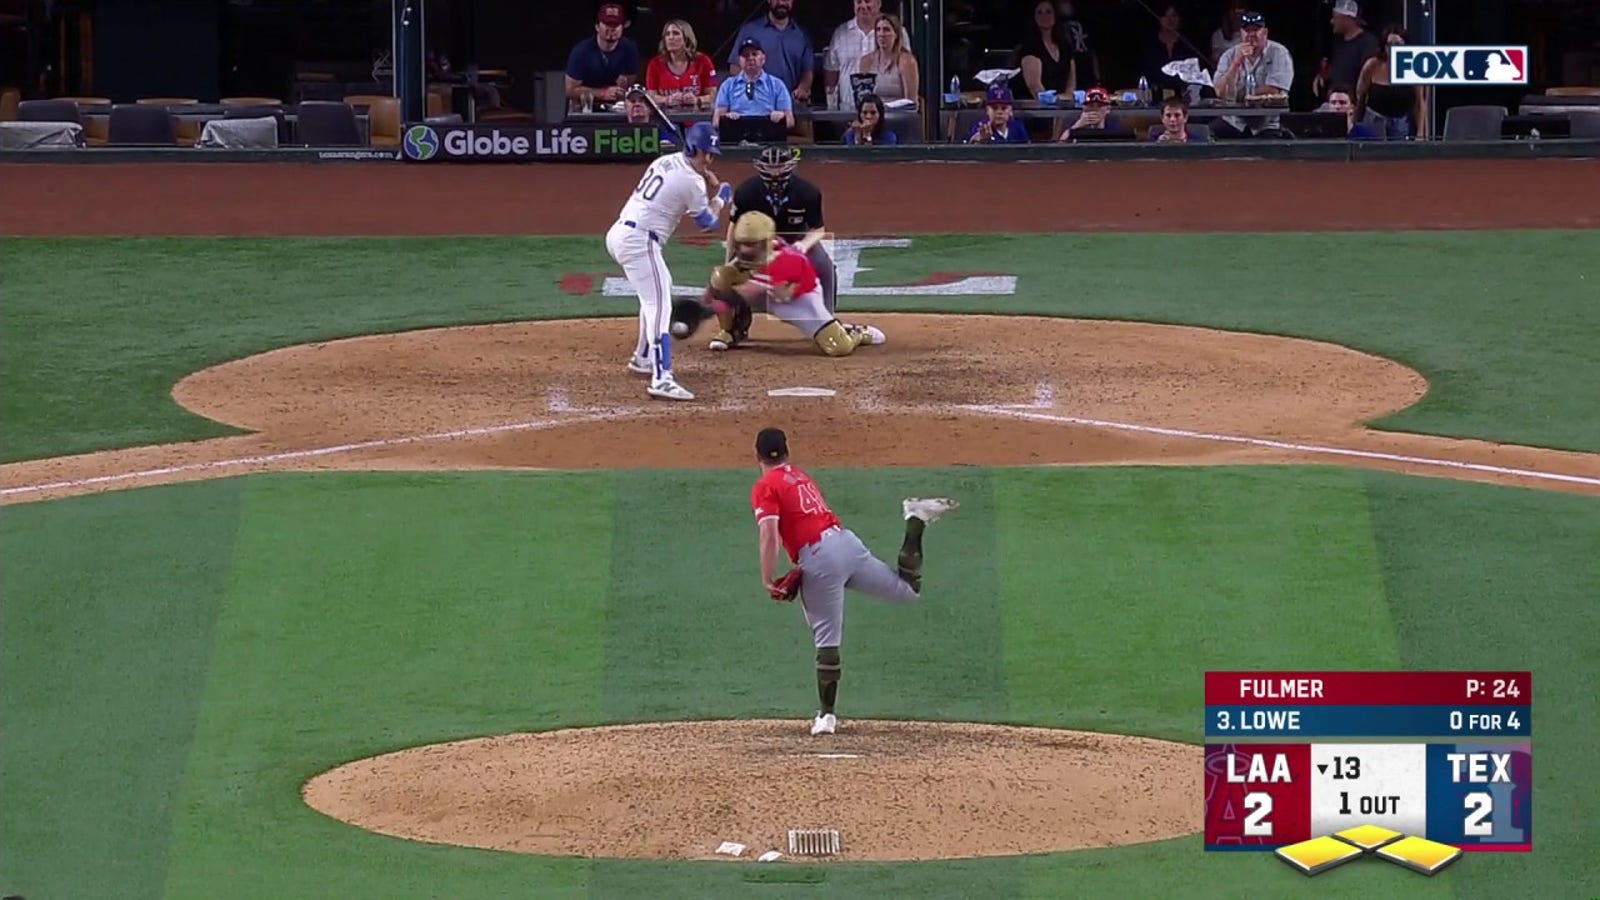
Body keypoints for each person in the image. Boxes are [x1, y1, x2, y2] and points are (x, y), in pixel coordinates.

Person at [747, 426, 958, 736]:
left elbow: (768, 534)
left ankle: (827, 717)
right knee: (907, 590)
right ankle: (916, 520)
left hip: (820, 557)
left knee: (826, 638)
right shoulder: (801, 476)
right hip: (847, 543)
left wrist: (767, 577)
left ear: (757, 456)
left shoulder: (765, 485)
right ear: (788, 451)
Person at [606, 121, 731, 402]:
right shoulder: (692, 182)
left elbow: (683, 179)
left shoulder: (667, 161)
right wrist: (721, 197)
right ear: (695, 149)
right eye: (707, 154)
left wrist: (703, 178)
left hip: (620, 234)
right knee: (660, 306)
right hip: (640, 241)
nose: (710, 158)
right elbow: (707, 223)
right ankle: (662, 379)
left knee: (651, 299)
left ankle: (643, 358)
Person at [705, 212, 886, 357]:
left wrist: (753, 287)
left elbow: (783, 295)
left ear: (765, 242)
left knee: (838, 348)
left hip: (799, 300)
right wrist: (709, 297)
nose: (745, 249)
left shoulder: (787, 260)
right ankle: (729, 331)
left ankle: (855, 332)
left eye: (751, 244)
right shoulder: (749, 255)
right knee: (720, 278)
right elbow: (719, 285)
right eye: (742, 244)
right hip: (766, 292)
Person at [723, 144, 837, 345]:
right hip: (758, 242)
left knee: (825, 267)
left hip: (796, 237)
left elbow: (818, 229)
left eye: (779, 167)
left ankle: (828, 321)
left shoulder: (807, 192)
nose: (775, 172)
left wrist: (803, 245)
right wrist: (730, 258)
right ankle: (735, 328)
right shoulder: (747, 191)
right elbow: (734, 226)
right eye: (770, 167)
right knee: (731, 275)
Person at [1210, 11, 1294, 138]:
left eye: (1256, 30)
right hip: (1234, 121)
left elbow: (1273, 90)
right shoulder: (1229, 55)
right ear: (1241, 33)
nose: (1251, 35)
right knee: (1209, 135)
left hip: (1266, 124)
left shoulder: (1279, 53)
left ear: (1265, 32)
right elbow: (1220, 92)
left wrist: (1239, 95)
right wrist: (1237, 62)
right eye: (1247, 30)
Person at [823, 0, 910, 111]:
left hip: (887, 113)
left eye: (868, 1)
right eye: (859, 2)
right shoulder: (840, 33)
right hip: (846, 111)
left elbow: (907, 71)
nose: (863, 6)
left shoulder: (897, 32)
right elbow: (831, 75)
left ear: (879, 3)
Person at [727, 0, 815, 106]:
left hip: (789, 108)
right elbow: (734, 67)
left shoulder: (802, 35)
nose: (782, 3)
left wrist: (802, 90)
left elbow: (807, 72)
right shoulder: (749, 30)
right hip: (754, 107)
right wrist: (751, 88)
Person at [713, 38, 795, 143]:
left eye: (754, 54)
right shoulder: (727, 85)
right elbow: (716, 121)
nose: (750, 58)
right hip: (737, 141)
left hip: (769, 140)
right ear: (739, 60)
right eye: (745, 55)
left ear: (763, 58)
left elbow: (790, 121)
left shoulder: (777, 85)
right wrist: (726, 118)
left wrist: (780, 116)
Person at [1355, 25, 1428, 139]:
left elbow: (1420, 103)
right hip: (1374, 122)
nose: (1394, 49)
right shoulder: (1372, 65)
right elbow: (1360, 98)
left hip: (1400, 124)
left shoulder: (1414, 67)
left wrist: (1421, 133)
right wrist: (1356, 126)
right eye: (1390, 45)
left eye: (1398, 44)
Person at [564, 3, 641, 110]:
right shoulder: (581, 51)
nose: (611, 28)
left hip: (617, 108)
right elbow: (570, 90)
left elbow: (629, 85)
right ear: (597, 26)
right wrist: (602, 93)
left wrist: (622, 90)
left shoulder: (630, 49)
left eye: (616, 25)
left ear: (623, 27)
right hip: (585, 109)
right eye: (607, 24)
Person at [1314, 0, 1380, 103]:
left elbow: (1369, 77)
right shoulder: (1338, 43)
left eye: (1335, 17)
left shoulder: (1368, 43)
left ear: (1347, 19)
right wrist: (1323, 75)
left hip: (1355, 106)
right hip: (1336, 103)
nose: (1332, 21)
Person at [645, 19, 718, 108]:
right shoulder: (655, 64)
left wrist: (697, 100)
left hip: (696, 118)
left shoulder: (703, 61)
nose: (670, 38)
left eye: (676, 33)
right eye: (667, 34)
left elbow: (713, 95)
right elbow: (650, 96)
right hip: (666, 118)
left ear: (686, 39)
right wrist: (667, 100)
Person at [1014, 0, 1077, 102]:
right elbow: (1035, 87)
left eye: (1048, 12)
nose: (1044, 16)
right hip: (1036, 111)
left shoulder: (1065, 47)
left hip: (1063, 108)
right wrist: (1053, 107)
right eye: (1039, 12)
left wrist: (1066, 104)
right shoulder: (1030, 47)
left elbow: (1071, 84)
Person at [852, 14, 919, 108]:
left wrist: (887, 107)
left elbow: (911, 102)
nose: (881, 34)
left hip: (900, 117)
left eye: (886, 30)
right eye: (878, 29)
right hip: (873, 117)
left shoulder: (906, 61)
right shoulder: (866, 61)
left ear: (896, 34)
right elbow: (863, 98)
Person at [1140, 4, 1199, 101]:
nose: (1170, 20)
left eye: (1174, 16)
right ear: (1159, 19)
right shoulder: (1149, 45)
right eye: (1165, 16)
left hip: (1185, 98)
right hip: (1155, 98)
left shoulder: (1188, 44)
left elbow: (1195, 73)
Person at [1058, 85, 1126, 140]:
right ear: (1084, 108)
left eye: (1099, 106)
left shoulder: (1114, 127)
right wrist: (1077, 126)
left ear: (1107, 109)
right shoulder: (1072, 121)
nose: (1094, 109)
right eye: (1091, 105)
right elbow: (1060, 147)